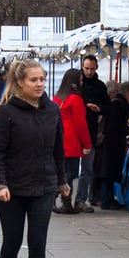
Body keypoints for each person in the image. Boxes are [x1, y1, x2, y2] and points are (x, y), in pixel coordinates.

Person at [0, 59, 67, 258]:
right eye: (34, 80)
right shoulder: (6, 113)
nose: (39, 84)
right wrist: (0, 183)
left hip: (43, 187)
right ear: (20, 83)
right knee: (12, 242)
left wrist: (61, 181)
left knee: (37, 243)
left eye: (42, 79)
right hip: (12, 189)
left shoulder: (52, 110)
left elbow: (58, 150)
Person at [52, 68, 92, 215]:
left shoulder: (57, 97)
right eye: (80, 79)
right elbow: (81, 124)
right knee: (71, 173)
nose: (82, 82)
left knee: (63, 171)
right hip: (71, 139)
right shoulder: (76, 99)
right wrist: (87, 144)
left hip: (58, 137)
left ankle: (66, 203)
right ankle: (57, 194)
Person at [76, 55, 110, 211]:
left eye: (91, 69)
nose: (89, 72)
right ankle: (65, 199)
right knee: (70, 169)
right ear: (82, 67)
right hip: (75, 132)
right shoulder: (76, 84)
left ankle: (80, 200)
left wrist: (99, 109)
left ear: (96, 68)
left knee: (87, 169)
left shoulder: (100, 86)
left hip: (90, 131)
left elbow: (108, 107)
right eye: (86, 68)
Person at [98, 81, 129, 210]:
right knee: (108, 172)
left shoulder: (118, 103)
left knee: (109, 172)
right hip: (112, 143)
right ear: (128, 93)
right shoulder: (118, 105)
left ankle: (109, 199)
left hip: (112, 143)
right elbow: (117, 125)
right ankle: (106, 200)